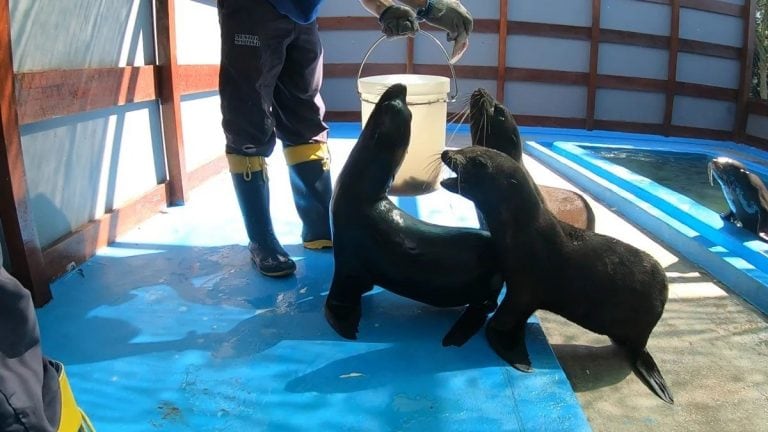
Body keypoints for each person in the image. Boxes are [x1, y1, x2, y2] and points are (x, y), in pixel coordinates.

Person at [217, 0, 474, 277]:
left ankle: (321, 227)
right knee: (248, 118)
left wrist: (385, 8)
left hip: (301, 16)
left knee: (306, 117)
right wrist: (429, 7)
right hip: (251, 10)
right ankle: (261, 240)